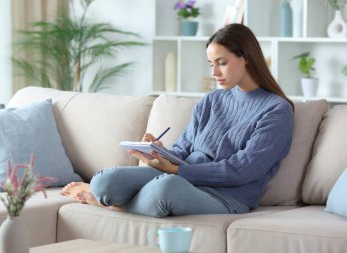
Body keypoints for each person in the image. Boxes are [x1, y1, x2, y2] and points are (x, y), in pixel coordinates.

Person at [61, 23, 294, 218]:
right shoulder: (211, 100)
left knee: (166, 188)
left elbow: (241, 170)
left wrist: (178, 171)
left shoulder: (276, 110)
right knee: (105, 180)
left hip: (226, 196)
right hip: (181, 176)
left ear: (246, 58)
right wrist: (160, 154)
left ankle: (106, 204)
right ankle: (108, 197)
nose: (214, 73)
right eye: (211, 64)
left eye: (221, 63)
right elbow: (183, 149)